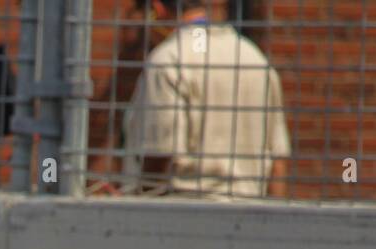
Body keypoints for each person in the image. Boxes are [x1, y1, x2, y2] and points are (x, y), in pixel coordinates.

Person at [122, 0, 291, 198]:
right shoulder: (256, 60)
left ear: (156, 10)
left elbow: (160, 156)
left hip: (186, 212)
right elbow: (278, 165)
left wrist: (140, 207)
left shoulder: (169, 60)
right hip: (249, 212)